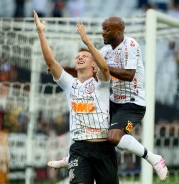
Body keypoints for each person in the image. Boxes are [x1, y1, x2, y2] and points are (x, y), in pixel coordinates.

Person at [49, 16, 168, 181]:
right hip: (114, 102)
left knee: (112, 137)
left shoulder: (131, 45)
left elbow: (128, 75)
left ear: (119, 31)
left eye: (106, 29)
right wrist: (61, 70)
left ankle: (153, 158)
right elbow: (92, 71)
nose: (102, 32)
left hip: (132, 104)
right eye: (103, 28)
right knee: (84, 117)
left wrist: (104, 68)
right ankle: (71, 157)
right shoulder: (104, 52)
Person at [34, 11, 119, 184]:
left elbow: (105, 69)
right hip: (79, 148)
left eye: (85, 56)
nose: (80, 57)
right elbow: (51, 61)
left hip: (103, 146)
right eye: (78, 56)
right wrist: (41, 32)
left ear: (93, 63)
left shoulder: (101, 83)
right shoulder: (69, 84)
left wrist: (87, 42)